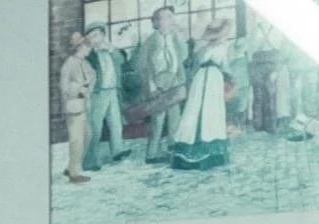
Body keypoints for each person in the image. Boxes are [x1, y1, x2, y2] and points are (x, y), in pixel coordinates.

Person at [170, 17, 232, 171]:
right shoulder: (202, 45)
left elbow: (225, 65)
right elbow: (195, 62)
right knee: (194, 109)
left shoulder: (223, 46)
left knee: (211, 111)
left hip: (214, 78)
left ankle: (212, 150)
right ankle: (189, 148)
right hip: (202, 77)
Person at [137, 6, 186, 163]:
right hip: (158, 82)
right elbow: (143, 67)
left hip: (174, 80)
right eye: (165, 17)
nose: (169, 20)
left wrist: (178, 35)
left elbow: (183, 56)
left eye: (171, 16)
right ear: (156, 22)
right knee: (158, 119)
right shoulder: (150, 42)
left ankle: (173, 147)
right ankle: (151, 153)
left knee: (175, 117)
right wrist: (151, 87)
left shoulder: (175, 38)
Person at [82, 24, 129, 172]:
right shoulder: (88, 54)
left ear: (103, 35)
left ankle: (117, 151)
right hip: (98, 93)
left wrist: (111, 49)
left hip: (113, 91)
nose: (93, 39)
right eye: (90, 37)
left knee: (115, 123)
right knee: (95, 127)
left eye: (96, 35)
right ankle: (90, 161)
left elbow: (121, 60)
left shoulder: (111, 50)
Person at [59, 31, 95, 185]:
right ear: (80, 48)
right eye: (87, 47)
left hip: (84, 105)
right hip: (73, 106)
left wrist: (88, 87)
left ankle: (70, 167)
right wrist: (79, 89)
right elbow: (64, 87)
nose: (89, 49)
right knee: (77, 139)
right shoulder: (69, 63)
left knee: (87, 135)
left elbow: (92, 77)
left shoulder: (85, 63)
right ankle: (74, 174)